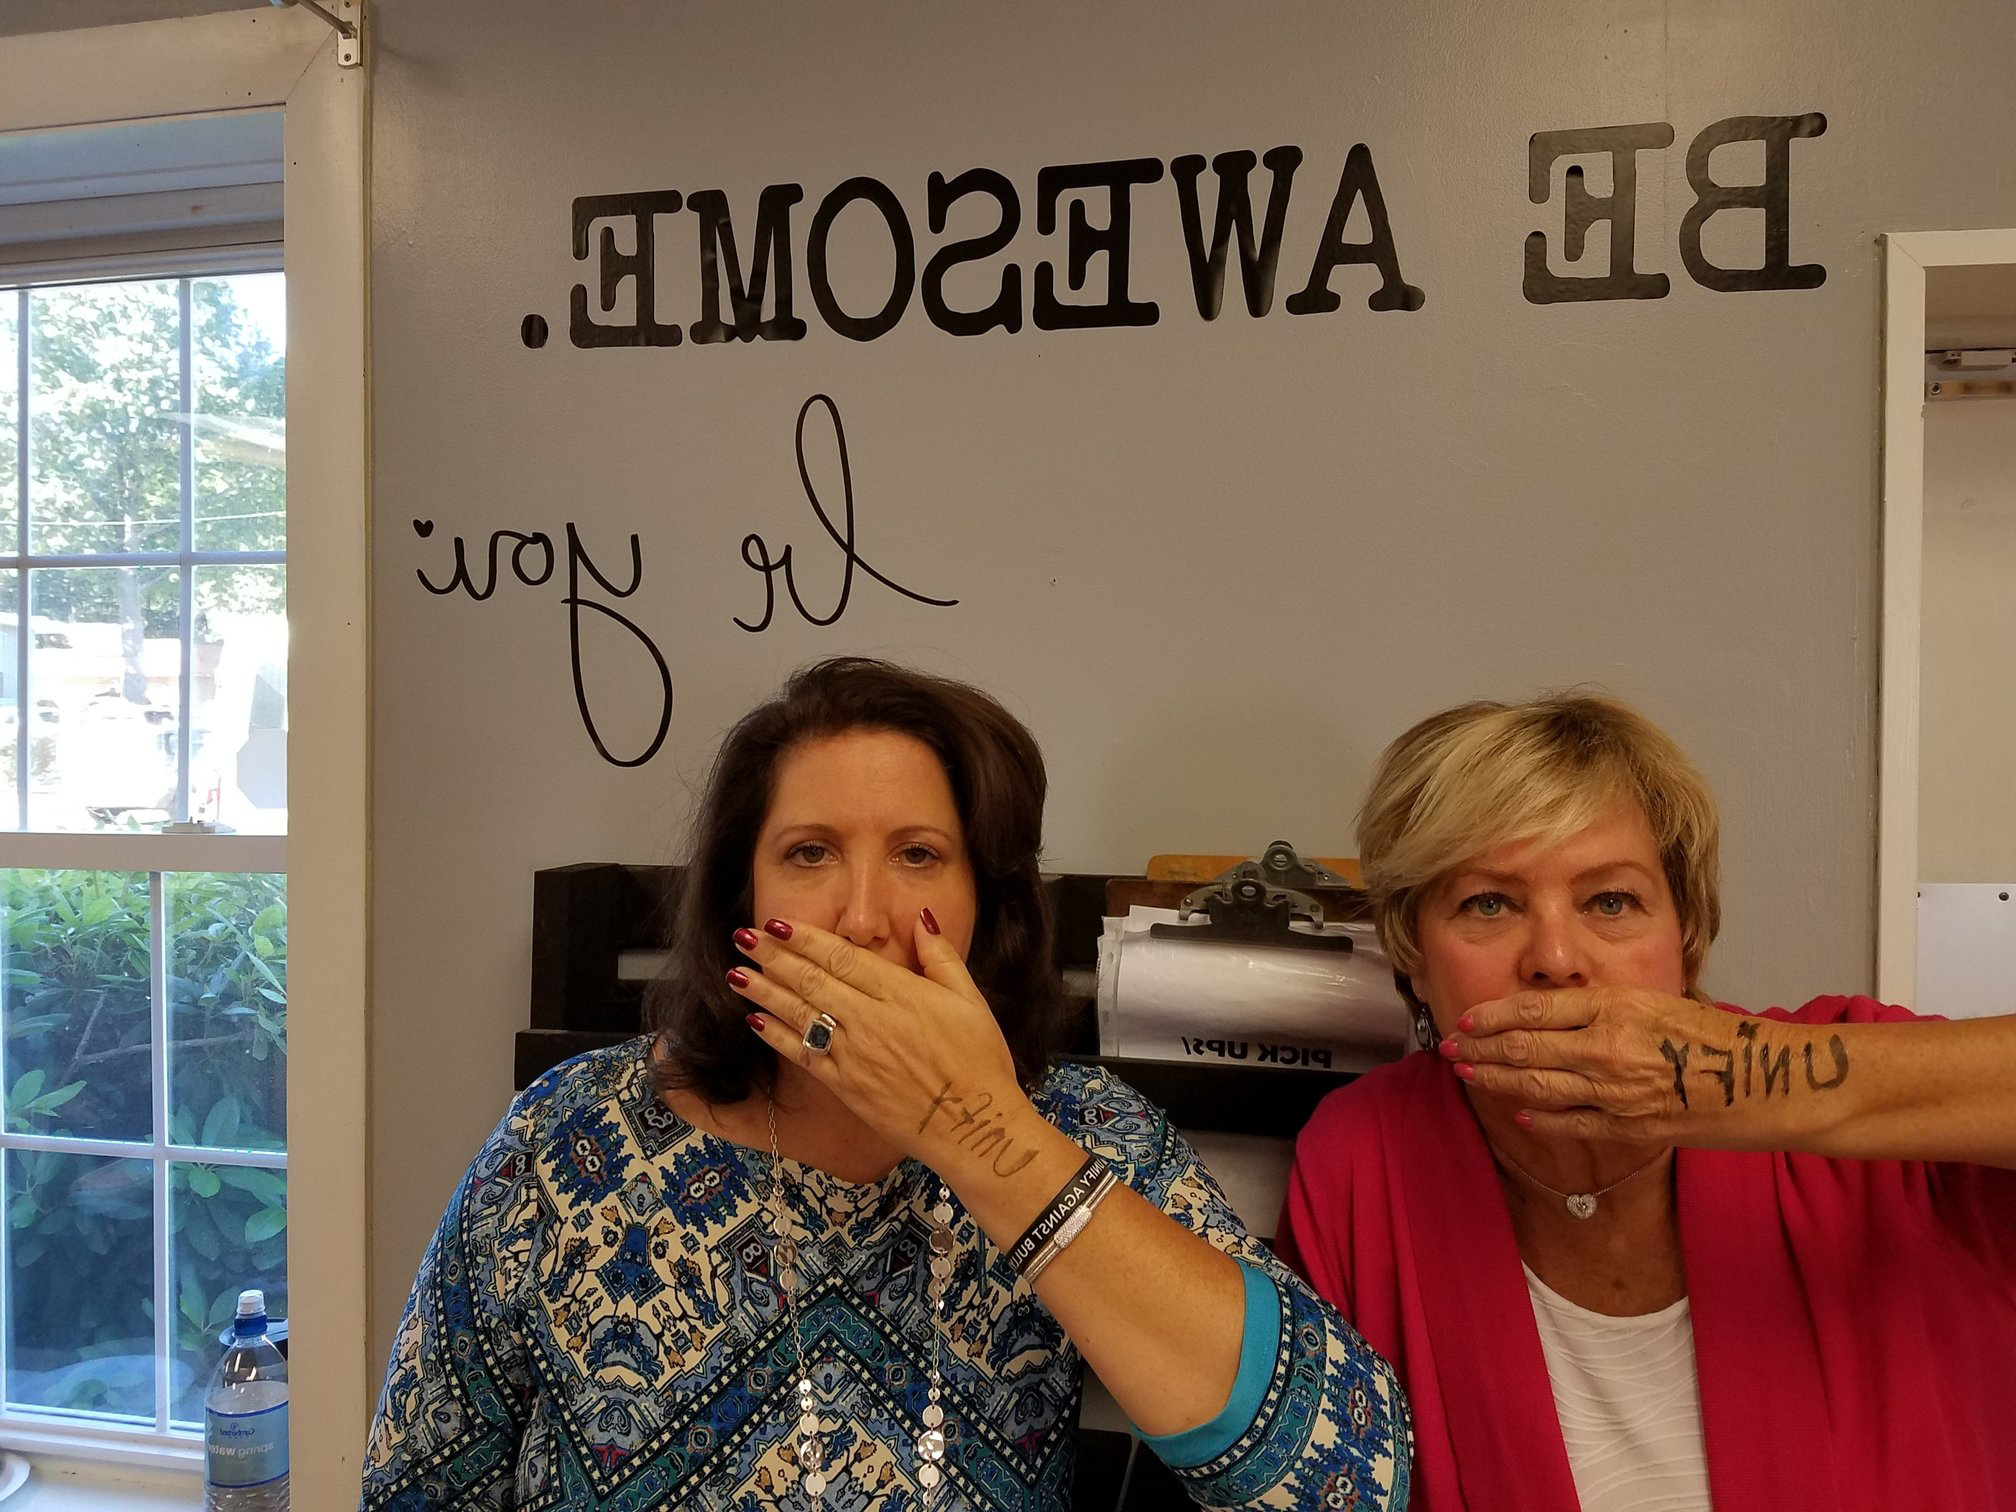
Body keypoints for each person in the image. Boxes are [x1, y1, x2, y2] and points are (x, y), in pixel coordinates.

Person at [362, 657, 1410, 1510]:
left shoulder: (1089, 1132)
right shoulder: (565, 1137)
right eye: (809, 853)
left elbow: (1347, 1482)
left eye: (917, 855)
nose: (862, 919)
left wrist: (978, 1133)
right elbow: (415, 1483)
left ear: (985, 902)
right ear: (743, 896)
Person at [1277, 692, 2016, 1512]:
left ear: (1687, 936)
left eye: (1610, 902)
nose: (1556, 958)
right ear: (1413, 955)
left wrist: (1734, 1075)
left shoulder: (1873, 1113)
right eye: (1488, 903)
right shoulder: (1361, 1157)